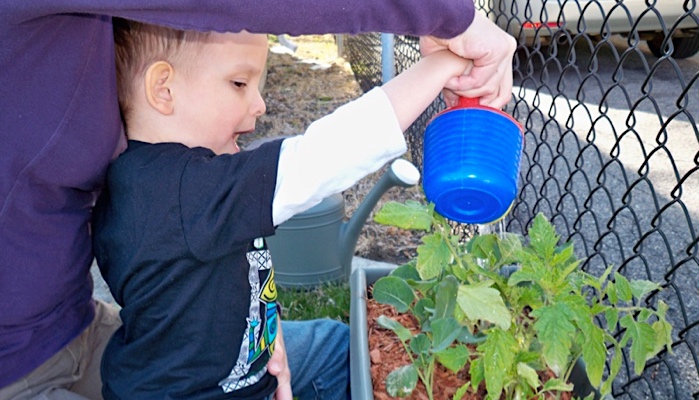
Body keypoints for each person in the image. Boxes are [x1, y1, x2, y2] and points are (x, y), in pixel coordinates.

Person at [0, 2, 516, 399]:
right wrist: (439, 67)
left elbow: (210, 284)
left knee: (342, 349)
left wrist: (263, 335)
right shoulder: (185, 195)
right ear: (164, 90)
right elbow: (324, 157)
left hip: (137, 352)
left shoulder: (149, 182)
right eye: (239, 83)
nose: (261, 104)